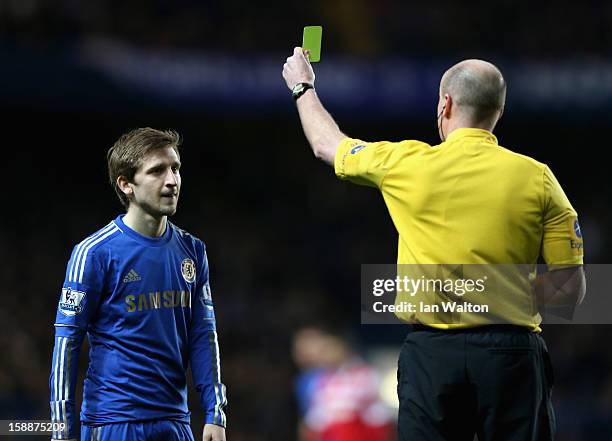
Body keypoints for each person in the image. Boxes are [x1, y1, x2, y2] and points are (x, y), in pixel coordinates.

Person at [282, 48, 586, 441]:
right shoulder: (538, 178)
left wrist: (302, 86)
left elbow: (327, 144)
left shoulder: (407, 162)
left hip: (431, 356)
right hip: (511, 357)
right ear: (498, 112)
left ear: (445, 104)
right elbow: (570, 290)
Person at [49, 128, 227, 441]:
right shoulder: (93, 253)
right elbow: (67, 341)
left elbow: (202, 335)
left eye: (175, 168)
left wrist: (215, 413)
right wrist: (61, 430)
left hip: (175, 422)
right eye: (157, 171)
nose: (172, 181)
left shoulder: (193, 251)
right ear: (126, 184)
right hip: (114, 421)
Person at [292, 326, 395, 441]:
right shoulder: (319, 379)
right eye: (325, 350)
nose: (328, 354)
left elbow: (378, 411)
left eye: (331, 348)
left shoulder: (366, 373)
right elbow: (315, 416)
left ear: (343, 347)